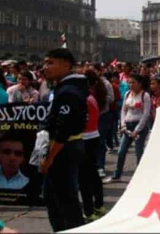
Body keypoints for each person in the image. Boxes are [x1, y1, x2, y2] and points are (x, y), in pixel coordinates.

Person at [39, 48, 88, 231]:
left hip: (63, 150)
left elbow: (63, 129)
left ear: (66, 65)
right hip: (61, 148)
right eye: (45, 62)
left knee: (66, 203)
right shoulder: (61, 87)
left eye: (50, 62)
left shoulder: (69, 91)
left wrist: (49, 157)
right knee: (52, 199)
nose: (45, 67)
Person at [104, 74, 151, 184]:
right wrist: (123, 125)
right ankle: (117, 176)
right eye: (129, 82)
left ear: (140, 84)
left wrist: (137, 130)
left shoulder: (145, 95)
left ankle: (140, 177)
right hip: (127, 126)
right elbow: (123, 111)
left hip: (140, 127)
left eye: (133, 82)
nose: (131, 85)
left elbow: (145, 114)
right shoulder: (127, 94)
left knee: (139, 152)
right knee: (121, 151)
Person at [79, 70, 106, 222]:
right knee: (93, 174)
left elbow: (82, 121)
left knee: (84, 178)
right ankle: (99, 204)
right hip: (93, 136)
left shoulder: (84, 99)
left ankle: (89, 211)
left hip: (85, 138)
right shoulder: (91, 97)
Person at [94, 65, 115, 179]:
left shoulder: (106, 84)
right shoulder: (88, 84)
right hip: (92, 116)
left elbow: (111, 98)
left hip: (103, 115)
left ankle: (100, 166)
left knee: (101, 142)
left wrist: (100, 98)